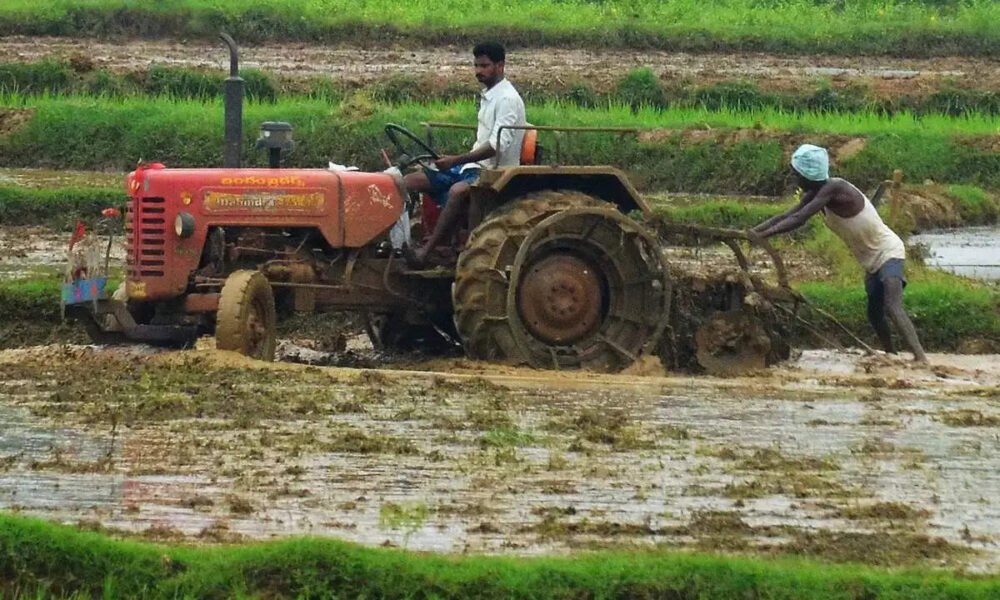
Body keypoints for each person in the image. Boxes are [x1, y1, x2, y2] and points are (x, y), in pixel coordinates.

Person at [750, 144, 928, 363]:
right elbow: (785, 216)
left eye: (796, 174)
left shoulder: (835, 188)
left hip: (889, 251)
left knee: (892, 306)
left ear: (808, 174)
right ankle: (891, 355)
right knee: (874, 312)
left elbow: (799, 219)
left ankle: (921, 359)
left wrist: (764, 236)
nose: (794, 178)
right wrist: (752, 233)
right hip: (870, 260)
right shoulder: (815, 194)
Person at [403, 41, 526, 267]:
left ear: (500, 66)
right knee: (410, 179)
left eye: (485, 66)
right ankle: (396, 242)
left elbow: (496, 145)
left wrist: (456, 160)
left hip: (494, 171)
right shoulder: (489, 94)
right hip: (472, 167)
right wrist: (452, 161)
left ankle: (427, 252)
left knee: (457, 191)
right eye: (476, 65)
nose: (479, 71)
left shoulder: (507, 99)